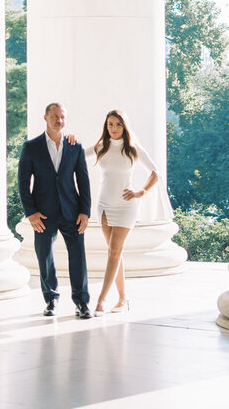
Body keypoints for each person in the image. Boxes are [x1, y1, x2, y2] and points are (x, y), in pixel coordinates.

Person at [17, 101, 93, 318]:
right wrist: (30, 212)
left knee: (78, 256)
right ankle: (51, 300)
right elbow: (23, 183)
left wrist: (85, 211)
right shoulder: (31, 148)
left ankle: (82, 302)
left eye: (62, 117)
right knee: (45, 257)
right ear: (45, 118)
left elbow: (84, 182)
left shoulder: (75, 147)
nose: (59, 120)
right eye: (54, 116)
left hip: (73, 212)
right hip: (43, 213)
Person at [91, 109, 157, 314]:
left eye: (117, 124)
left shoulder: (133, 149)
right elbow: (74, 152)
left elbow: (155, 173)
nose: (113, 128)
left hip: (126, 206)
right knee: (114, 252)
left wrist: (140, 191)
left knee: (114, 251)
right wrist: (69, 140)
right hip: (104, 205)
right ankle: (123, 299)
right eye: (110, 124)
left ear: (124, 126)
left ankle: (101, 300)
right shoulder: (101, 147)